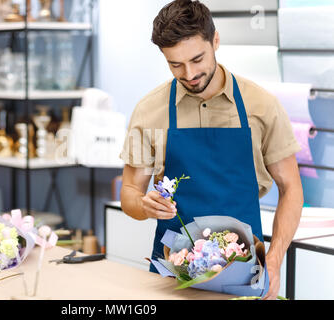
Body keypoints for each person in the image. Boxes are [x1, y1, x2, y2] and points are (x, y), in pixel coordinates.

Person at [119, 0, 303, 300]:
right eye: (175, 64)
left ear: (215, 40)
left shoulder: (262, 106)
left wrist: (275, 256)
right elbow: (129, 192)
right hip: (172, 276)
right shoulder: (149, 110)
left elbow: (291, 187)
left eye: (197, 59)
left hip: (244, 271)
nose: (189, 73)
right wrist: (144, 205)